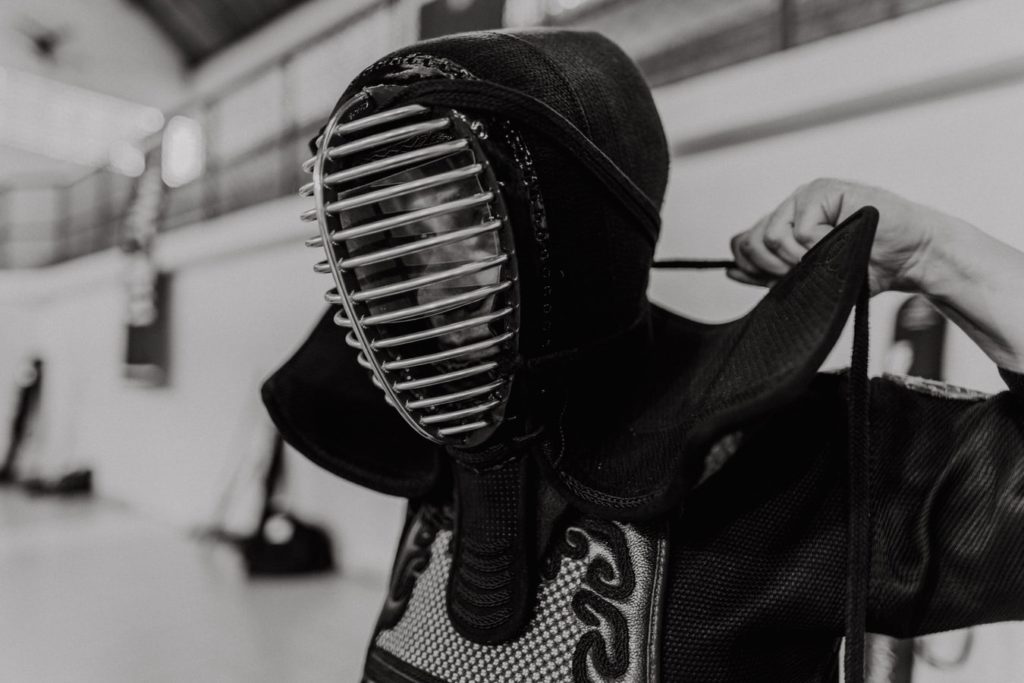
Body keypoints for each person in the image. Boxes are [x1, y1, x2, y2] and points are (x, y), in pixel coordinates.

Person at [262, 30, 1024, 683]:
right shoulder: (442, 448)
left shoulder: (791, 457)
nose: (428, 282)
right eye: (399, 231)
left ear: (566, 219)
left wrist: (939, 253)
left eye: (455, 215)